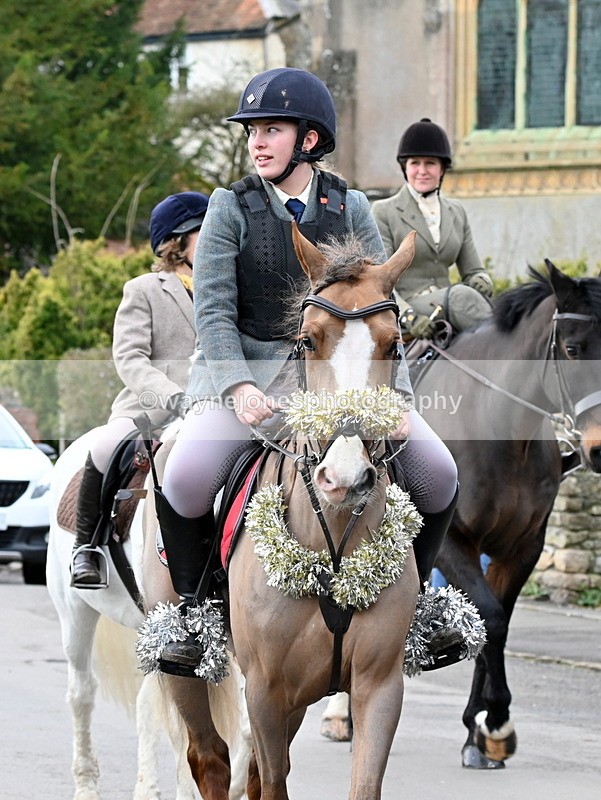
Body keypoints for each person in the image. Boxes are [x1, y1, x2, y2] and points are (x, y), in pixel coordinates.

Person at [154, 68, 460, 675]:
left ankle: (422, 608)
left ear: (310, 140)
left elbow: (383, 314)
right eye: (252, 133)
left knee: (440, 473)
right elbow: (213, 311)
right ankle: (191, 617)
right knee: (187, 476)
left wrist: (395, 398)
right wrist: (237, 387)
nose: (257, 143)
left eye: (271, 130)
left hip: (341, 386)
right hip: (246, 380)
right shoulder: (229, 208)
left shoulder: (352, 207)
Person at [70, 191, 210, 587]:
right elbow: (130, 357)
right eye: (204, 232)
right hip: (149, 407)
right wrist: (174, 396)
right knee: (103, 446)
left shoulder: (227, 289)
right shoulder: (145, 288)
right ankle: (89, 546)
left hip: (213, 405)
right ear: (175, 242)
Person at [372, 117, 493, 340]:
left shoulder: (456, 212)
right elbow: (380, 282)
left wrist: (481, 281)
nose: (422, 171)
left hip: (448, 305)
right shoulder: (384, 211)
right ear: (404, 168)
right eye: (415, 163)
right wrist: (408, 317)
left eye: (430, 163)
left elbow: (474, 270)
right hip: (410, 307)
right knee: (461, 297)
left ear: (442, 169)